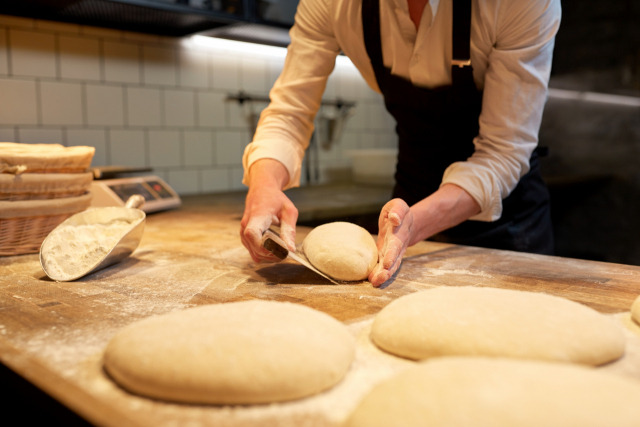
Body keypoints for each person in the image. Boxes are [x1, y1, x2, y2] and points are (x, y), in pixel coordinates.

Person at [240, 0, 562, 287]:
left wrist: (416, 223)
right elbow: (289, 113)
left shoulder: (522, 4)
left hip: (507, 218)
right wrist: (264, 184)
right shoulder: (333, 4)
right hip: (405, 202)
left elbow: (503, 151)